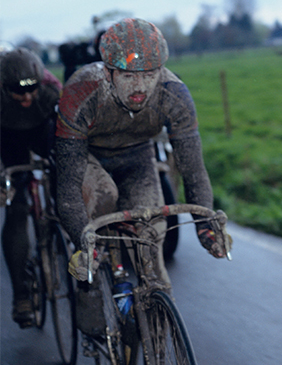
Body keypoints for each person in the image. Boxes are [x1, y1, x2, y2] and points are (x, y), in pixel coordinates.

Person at [55, 17, 229, 333]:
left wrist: (205, 227)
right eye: (127, 75)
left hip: (137, 159)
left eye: (149, 75)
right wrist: (85, 243)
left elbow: (192, 170)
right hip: (90, 159)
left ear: (160, 71)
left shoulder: (174, 94)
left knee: (152, 240)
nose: (139, 87)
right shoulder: (80, 93)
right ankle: (89, 286)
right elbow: (67, 186)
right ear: (108, 72)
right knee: (103, 196)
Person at [0, 47, 62, 327]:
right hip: (7, 138)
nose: (25, 97)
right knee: (17, 208)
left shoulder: (51, 89)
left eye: (30, 90)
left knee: (65, 179)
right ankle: (21, 295)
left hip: (42, 128)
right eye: (17, 91)